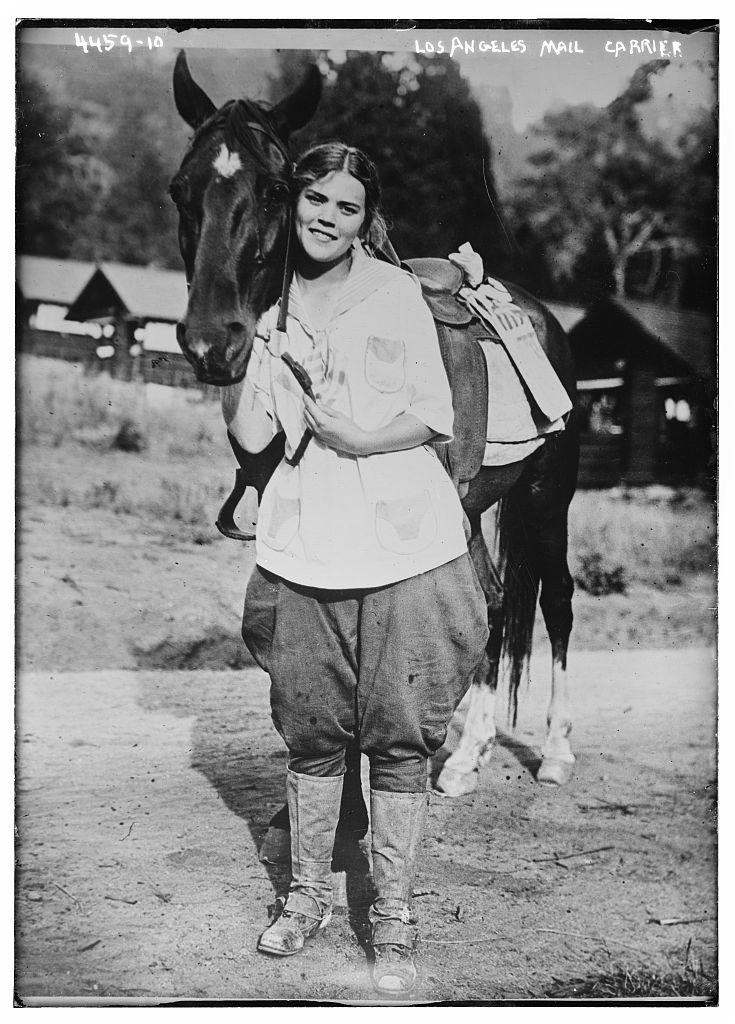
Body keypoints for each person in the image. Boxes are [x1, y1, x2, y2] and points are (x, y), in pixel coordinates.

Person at [221, 142, 489, 996]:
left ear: (362, 215)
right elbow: (255, 440)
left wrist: (359, 438)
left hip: (404, 539)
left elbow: (431, 411)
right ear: (289, 202)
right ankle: (305, 899)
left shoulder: (395, 291)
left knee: (402, 739)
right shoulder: (267, 302)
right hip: (306, 538)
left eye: (344, 205)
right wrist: (238, 352)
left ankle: (394, 912)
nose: (325, 218)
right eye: (313, 199)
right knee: (310, 732)